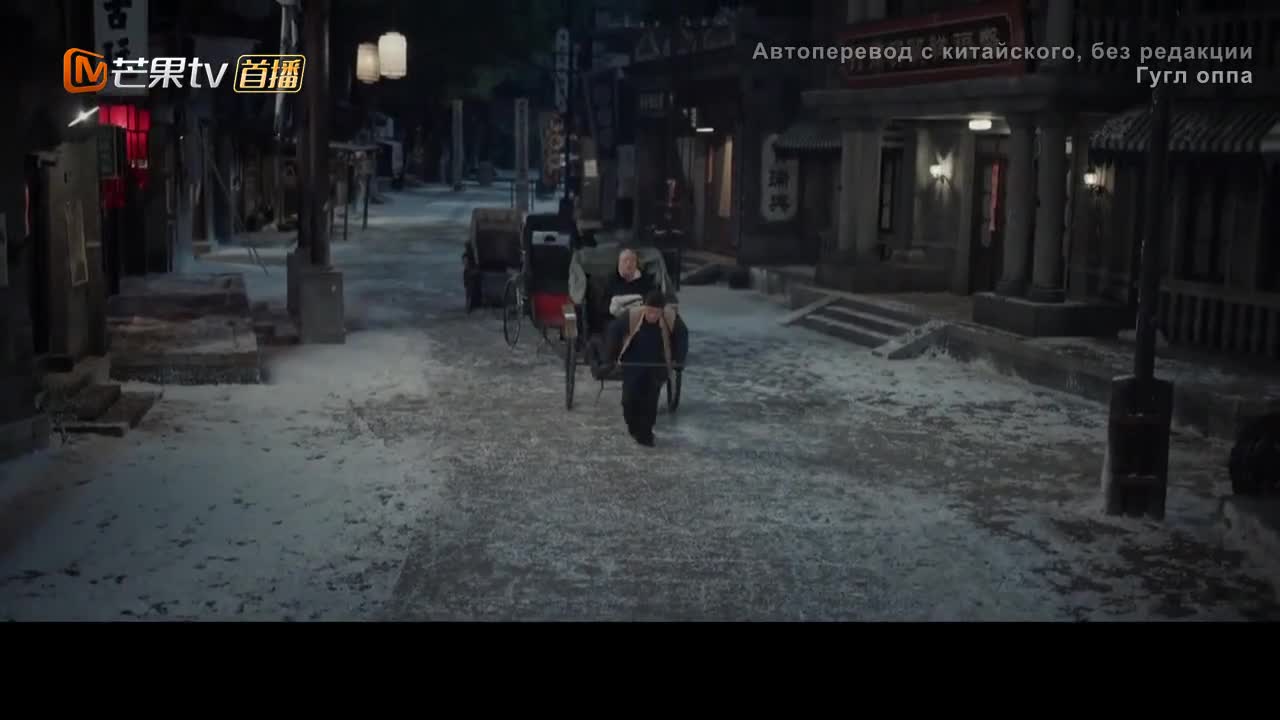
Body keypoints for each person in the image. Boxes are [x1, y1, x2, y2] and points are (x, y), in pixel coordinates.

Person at [604, 289, 687, 447]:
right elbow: (614, 330)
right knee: (628, 401)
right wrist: (610, 357)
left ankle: (646, 433)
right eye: (649, 311)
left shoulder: (670, 318)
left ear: (662, 310)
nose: (652, 316)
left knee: (649, 402)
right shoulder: (633, 315)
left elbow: (682, 335)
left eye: (656, 313)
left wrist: (679, 358)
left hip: (657, 365)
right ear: (645, 307)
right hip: (633, 363)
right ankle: (634, 427)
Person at [607, 248, 654, 317]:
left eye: (632, 261)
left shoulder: (647, 281)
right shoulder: (611, 281)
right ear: (619, 263)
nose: (628, 264)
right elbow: (604, 308)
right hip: (616, 320)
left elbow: (653, 304)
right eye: (625, 261)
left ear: (636, 264)